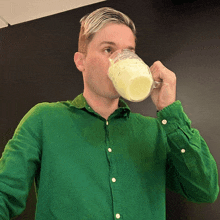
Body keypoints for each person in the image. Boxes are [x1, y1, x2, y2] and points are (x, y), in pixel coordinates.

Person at [0, 7, 219, 220]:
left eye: (128, 52)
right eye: (108, 50)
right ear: (81, 61)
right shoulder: (43, 119)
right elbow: (5, 193)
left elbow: (205, 189)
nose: (122, 59)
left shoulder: (155, 130)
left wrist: (169, 111)